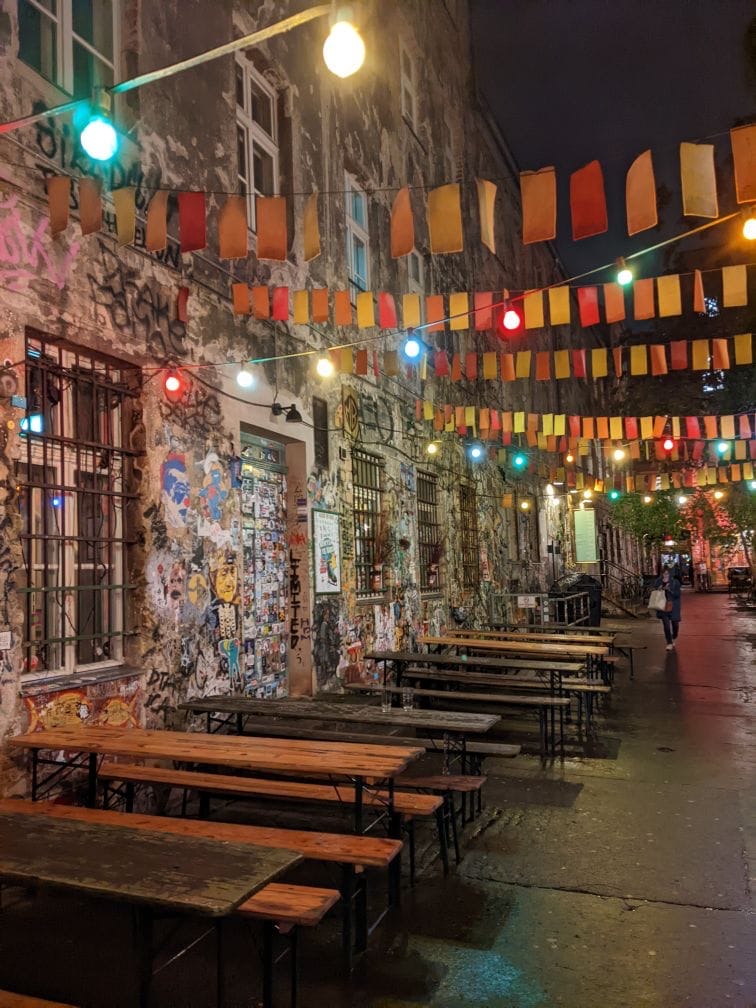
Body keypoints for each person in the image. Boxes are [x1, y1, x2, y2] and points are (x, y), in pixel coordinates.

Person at [654, 564, 682, 651]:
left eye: (667, 573)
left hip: (673, 605)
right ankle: (669, 642)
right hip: (663, 605)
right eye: (664, 573)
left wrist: (669, 590)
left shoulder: (675, 582)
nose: (665, 575)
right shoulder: (658, 581)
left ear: (670, 574)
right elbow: (654, 591)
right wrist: (659, 589)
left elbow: (677, 594)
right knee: (666, 625)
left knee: (675, 624)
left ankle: (674, 636)